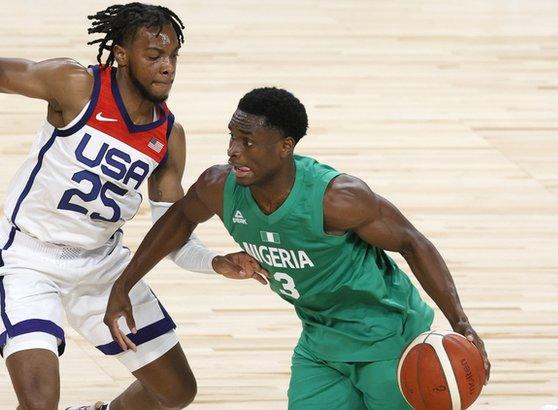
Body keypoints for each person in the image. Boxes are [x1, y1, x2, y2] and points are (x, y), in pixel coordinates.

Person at [0, 3, 263, 410]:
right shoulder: (76, 85)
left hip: (103, 266)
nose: (167, 67)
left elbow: (172, 235)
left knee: (176, 392)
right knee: (38, 403)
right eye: (154, 56)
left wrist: (214, 262)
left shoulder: (168, 136)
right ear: (122, 54)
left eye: (173, 56)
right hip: (30, 258)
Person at [104, 87, 491, 409]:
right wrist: (124, 284)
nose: (233, 151)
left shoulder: (337, 198)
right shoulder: (219, 187)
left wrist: (461, 324)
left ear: (285, 147)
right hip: (320, 343)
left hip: (388, 342)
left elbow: (413, 242)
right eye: (232, 137)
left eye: (248, 142)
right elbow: (178, 220)